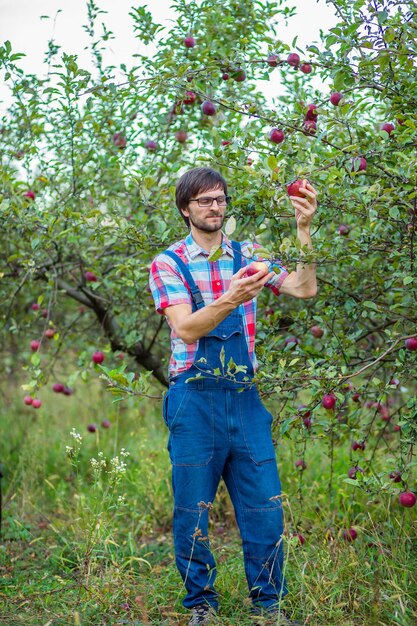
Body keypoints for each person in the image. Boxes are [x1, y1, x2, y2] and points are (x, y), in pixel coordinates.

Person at [149, 167, 317, 625]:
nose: (214, 207)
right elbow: (185, 327)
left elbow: (304, 287)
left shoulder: (249, 254)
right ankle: (201, 604)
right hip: (194, 398)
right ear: (186, 208)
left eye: (219, 199)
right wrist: (232, 296)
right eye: (203, 201)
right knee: (192, 507)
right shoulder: (169, 263)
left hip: (245, 395)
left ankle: (269, 605)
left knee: (264, 505)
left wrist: (303, 230)